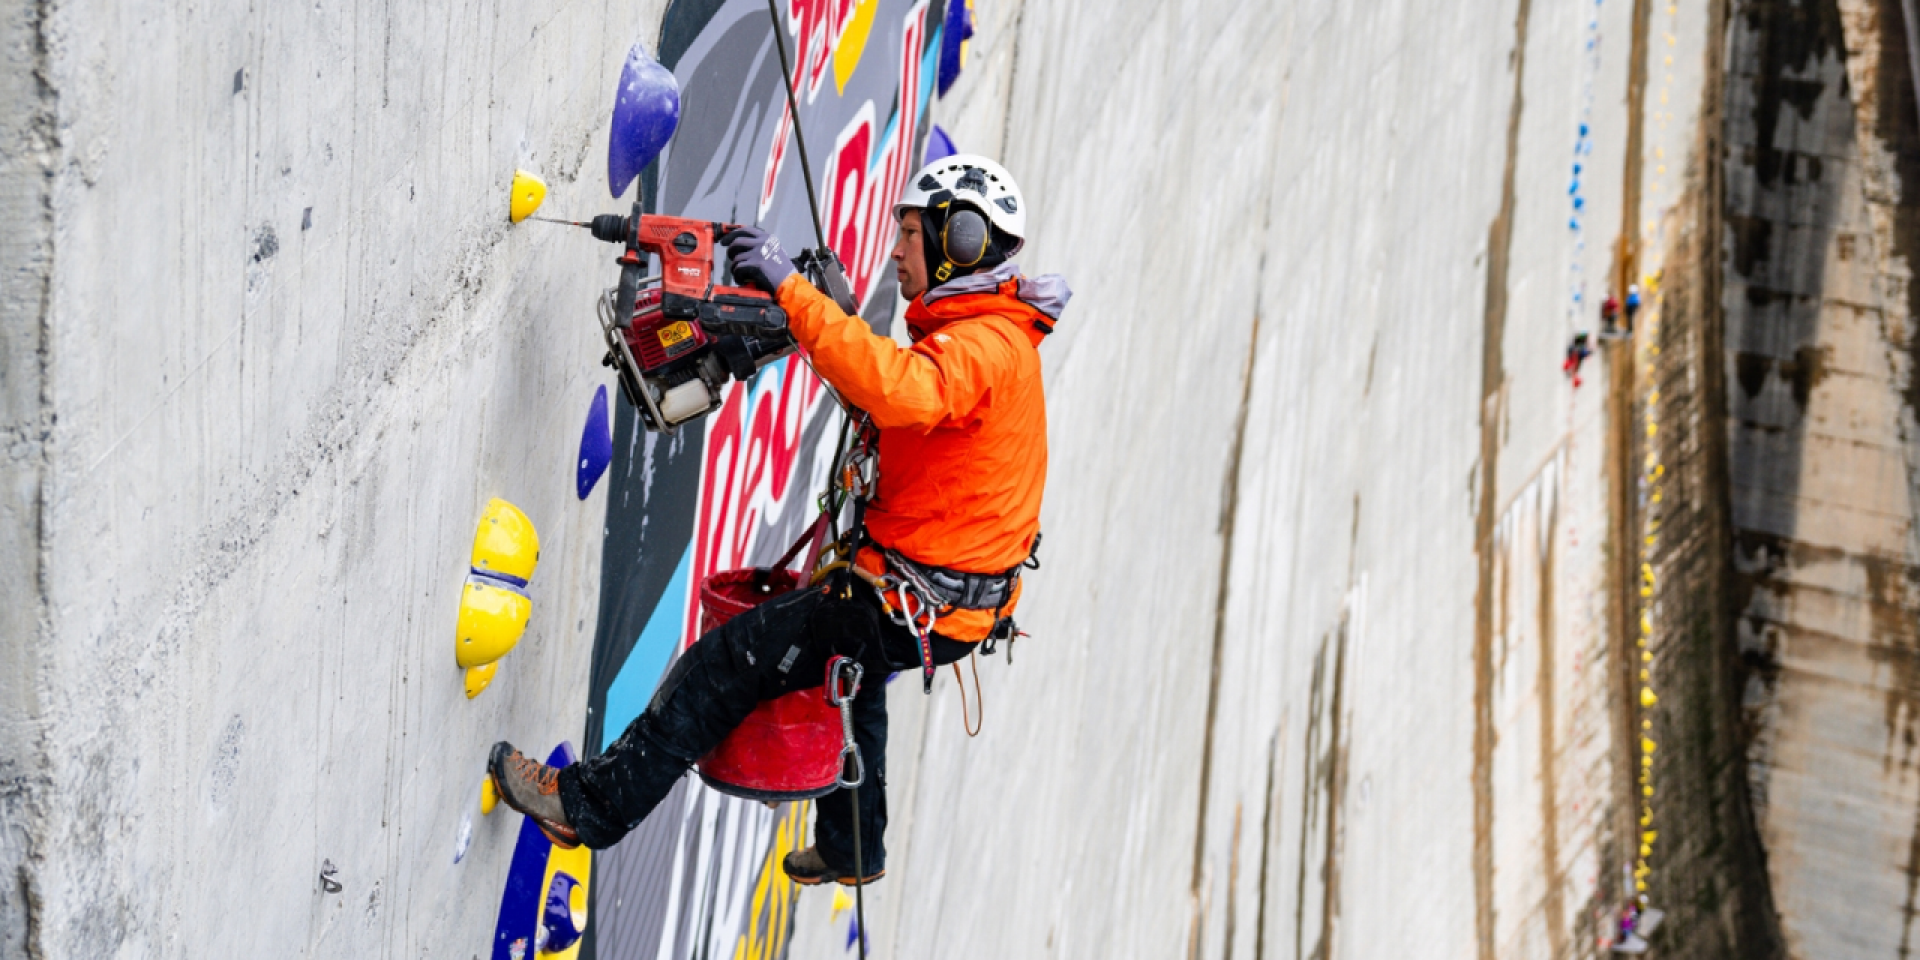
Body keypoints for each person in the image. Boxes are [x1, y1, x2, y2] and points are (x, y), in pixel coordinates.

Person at [486, 155, 1069, 887]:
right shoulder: (988, 337)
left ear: (962, 241)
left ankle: (588, 807)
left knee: (724, 665)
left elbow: (898, 394)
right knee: (849, 682)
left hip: (910, 601)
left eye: (911, 233)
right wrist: (821, 316)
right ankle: (855, 848)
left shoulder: (981, 345)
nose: (896, 250)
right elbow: (898, 405)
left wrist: (793, 293)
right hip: (942, 606)